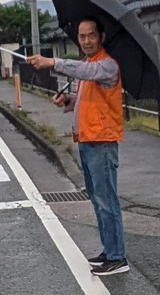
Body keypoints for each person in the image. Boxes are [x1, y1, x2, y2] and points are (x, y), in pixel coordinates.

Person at [26, 17, 128, 276]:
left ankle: (117, 257)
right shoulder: (89, 64)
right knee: (97, 198)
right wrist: (68, 101)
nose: (86, 40)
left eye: (91, 35)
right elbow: (90, 100)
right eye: (82, 36)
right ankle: (109, 250)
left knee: (106, 200)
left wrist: (53, 62)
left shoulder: (106, 65)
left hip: (102, 141)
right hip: (87, 139)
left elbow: (86, 73)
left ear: (101, 37)